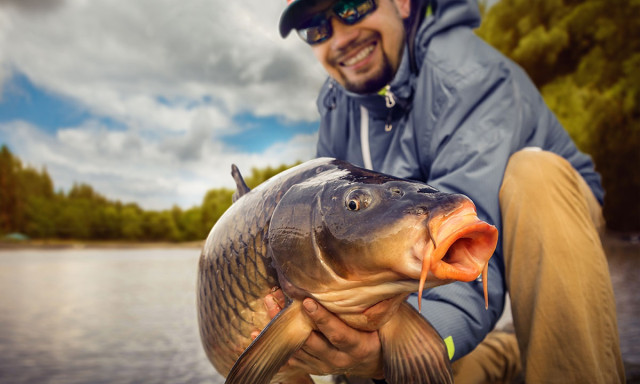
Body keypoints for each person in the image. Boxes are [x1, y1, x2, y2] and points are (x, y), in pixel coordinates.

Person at [262, 0, 626, 382]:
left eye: (353, 6)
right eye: (316, 28)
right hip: (423, 248)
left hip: (553, 219)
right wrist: (357, 351)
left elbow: (461, 252)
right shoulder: (336, 108)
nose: (340, 37)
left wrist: (395, 351)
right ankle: (504, 353)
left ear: (402, 2)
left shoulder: (467, 73)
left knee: (535, 175)